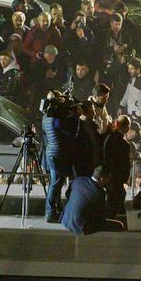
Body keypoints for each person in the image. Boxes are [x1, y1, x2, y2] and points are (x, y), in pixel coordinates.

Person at [42, 92, 80, 223]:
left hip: (51, 153)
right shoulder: (56, 121)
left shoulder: (46, 119)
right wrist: (74, 116)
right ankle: (50, 212)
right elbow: (70, 132)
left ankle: (55, 209)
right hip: (58, 153)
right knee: (56, 184)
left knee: (54, 183)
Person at [61, 166, 125, 235]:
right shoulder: (99, 193)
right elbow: (99, 216)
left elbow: (67, 194)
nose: (108, 181)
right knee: (119, 225)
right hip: (80, 226)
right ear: (102, 178)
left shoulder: (79, 180)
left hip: (65, 219)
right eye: (108, 178)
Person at [102, 116, 132, 221]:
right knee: (115, 201)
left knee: (111, 200)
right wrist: (125, 178)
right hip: (118, 177)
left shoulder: (109, 138)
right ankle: (111, 221)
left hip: (110, 174)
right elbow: (124, 163)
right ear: (127, 128)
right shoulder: (124, 143)